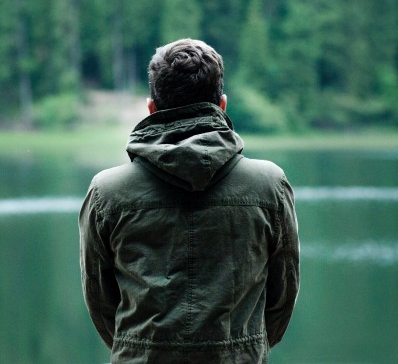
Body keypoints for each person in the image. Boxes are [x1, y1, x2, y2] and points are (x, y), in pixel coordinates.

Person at [79, 38, 300, 363]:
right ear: (222, 105)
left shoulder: (106, 192)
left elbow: (100, 302)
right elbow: (283, 296)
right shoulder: (269, 186)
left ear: (151, 108)